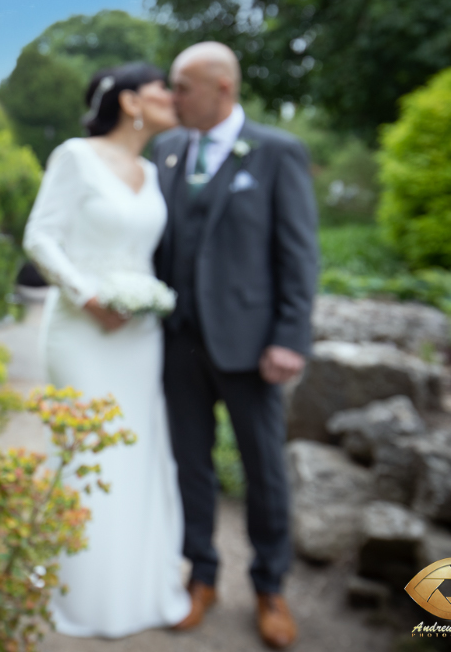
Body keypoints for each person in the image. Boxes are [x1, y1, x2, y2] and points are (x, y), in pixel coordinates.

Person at [153, 42, 318, 650]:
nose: (171, 99)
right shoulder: (168, 150)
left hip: (252, 349)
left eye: (181, 87)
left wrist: (290, 338)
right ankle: (201, 576)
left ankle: (270, 587)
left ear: (222, 88)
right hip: (178, 347)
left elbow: (299, 254)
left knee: (264, 471)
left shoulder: (277, 152)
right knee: (190, 465)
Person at [23, 62, 191, 638]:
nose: (171, 97)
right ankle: (80, 593)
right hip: (82, 329)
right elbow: (40, 237)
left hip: (141, 337)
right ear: (129, 103)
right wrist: (88, 295)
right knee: (86, 450)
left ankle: (136, 587)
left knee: (138, 452)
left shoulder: (154, 168)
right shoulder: (76, 155)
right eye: (160, 89)